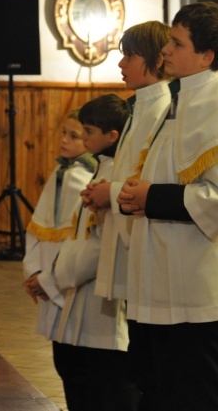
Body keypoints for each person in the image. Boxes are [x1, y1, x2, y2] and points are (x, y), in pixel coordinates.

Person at [117, 2, 218, 411]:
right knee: (157, 387)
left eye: (177, 43)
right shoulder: (178, 100)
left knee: (199, 396)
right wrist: (135, 194)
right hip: (159, 275)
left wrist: (153, 197)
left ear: (206, 56)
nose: (165, 50)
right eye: (168, 39)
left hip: (194, 284)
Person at [48, 94, 134, 410]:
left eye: (87, 131)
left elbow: (103, 244)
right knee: (78, 379)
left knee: (108, 391)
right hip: (81, 297)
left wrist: (54, 276)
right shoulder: (101, 169)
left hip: (104, 308)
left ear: (112, 136)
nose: (82, 139)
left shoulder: (117, 177)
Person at [79, 21, 171, 306]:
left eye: (130, 55)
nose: (121, 63)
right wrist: (107, 190)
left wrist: (112, 192)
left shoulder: (164, 109)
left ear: (157, 60)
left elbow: (158, 179)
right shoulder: (139, 107)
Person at [22, 109, 95, 337]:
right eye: (63, 133)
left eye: (73, 136)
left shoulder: (86, 177)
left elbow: (82, 237)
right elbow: (37, 228)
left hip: (68, 271)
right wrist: (33, 272)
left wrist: (49, 280)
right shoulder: (60, 171)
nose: (64, 140)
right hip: (45, 264)